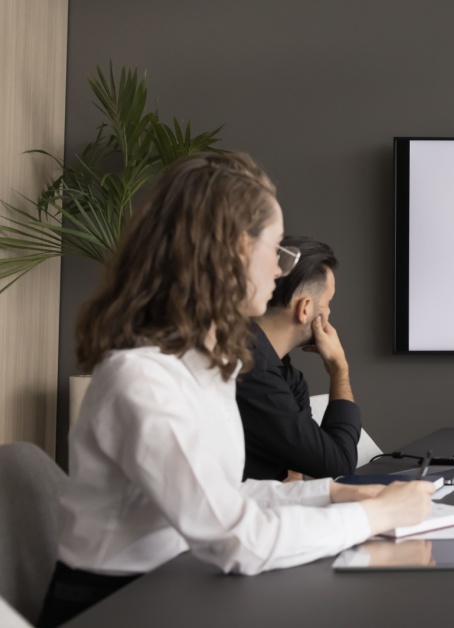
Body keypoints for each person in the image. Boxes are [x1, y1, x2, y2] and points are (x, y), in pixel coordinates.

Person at [39, 153, 434, 627]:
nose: (279, 269)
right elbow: (235, 538)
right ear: (229, 252)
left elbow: (225, 497)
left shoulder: (207, 365)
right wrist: (378, 518)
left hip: (175, 584)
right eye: (276, 249)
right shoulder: (142, 380)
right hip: (118, 607)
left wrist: (333, 495)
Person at [237, 236, 360, 481]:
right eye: (328, 303)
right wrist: (339, 369)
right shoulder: (254, 373)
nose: (329, 313)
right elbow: (339, 464)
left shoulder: (286, 376)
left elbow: (304, 463)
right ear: (304, 309)